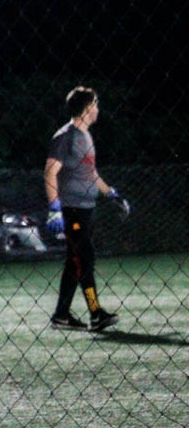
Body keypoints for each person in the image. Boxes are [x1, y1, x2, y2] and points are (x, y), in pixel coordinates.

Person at [45, 86, 129, 332]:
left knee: (75, 262)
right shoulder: (66, 136)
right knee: (85, 259)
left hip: (86, 209)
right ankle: (95, 313)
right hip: (72, 210)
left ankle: (61, 315)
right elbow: (50, 172)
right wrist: (54, 208)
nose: (98, 109)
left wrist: (112, 194)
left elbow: (91, 174)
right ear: (87, 108)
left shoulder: (86, 136)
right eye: (95, 104)